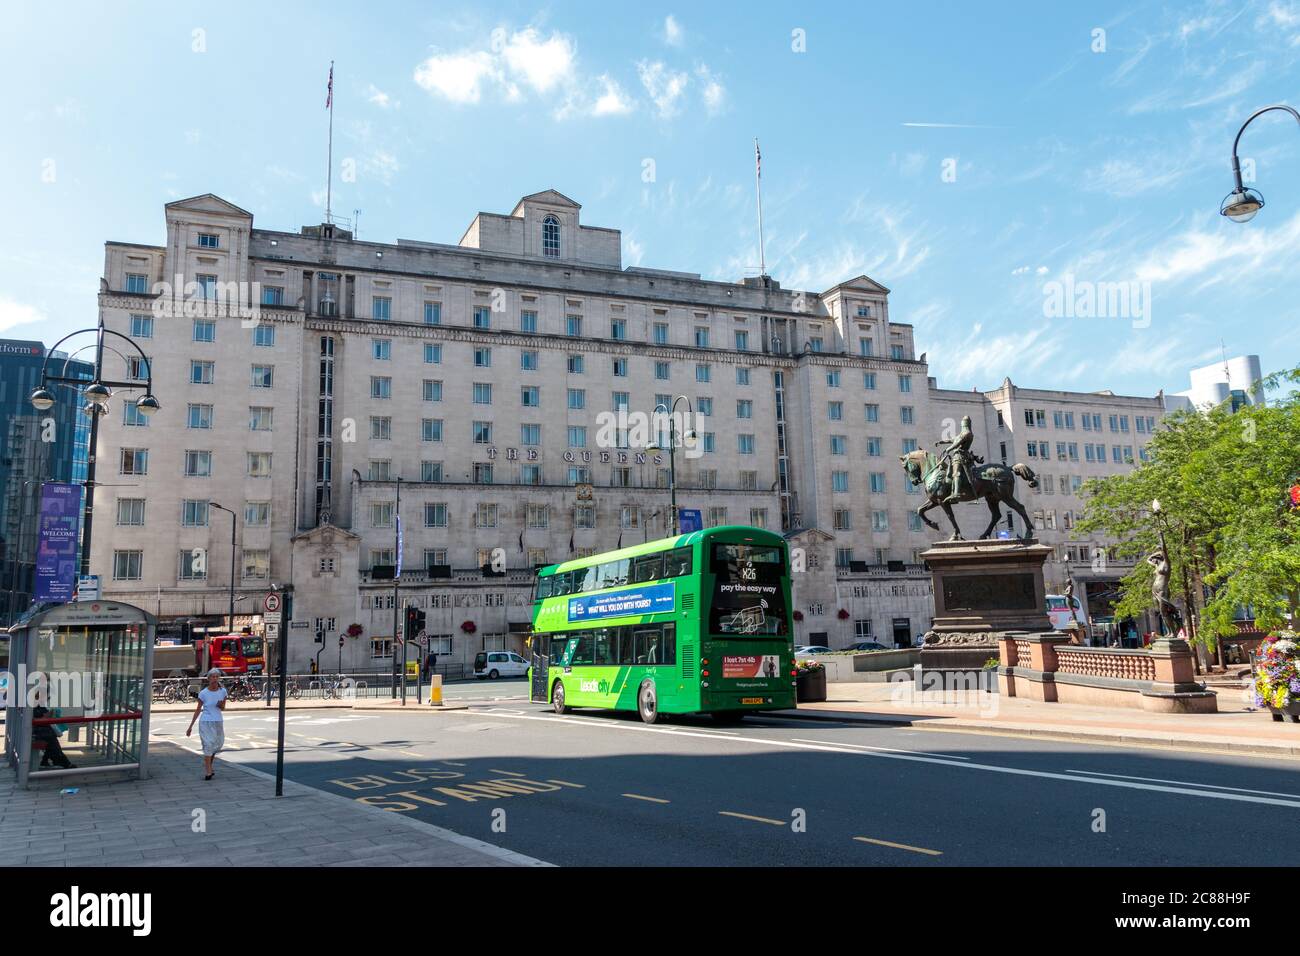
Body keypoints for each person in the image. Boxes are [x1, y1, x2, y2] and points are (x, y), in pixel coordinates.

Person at [186, 668, 227, 780]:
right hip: (205, 722)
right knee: (208, 745)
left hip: (218, 721)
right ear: (208, 679)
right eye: (212, 677)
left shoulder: (223, 691)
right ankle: (208, 771)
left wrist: (220, 706)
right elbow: (198, 710)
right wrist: (190, 727)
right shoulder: (203, 693)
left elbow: (223, 708)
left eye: (216, 677)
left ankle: (209, 764)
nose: (214, 679)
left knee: (218, 744)